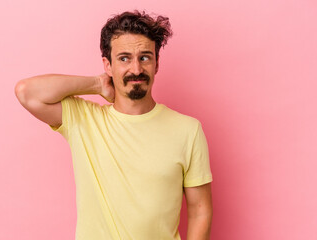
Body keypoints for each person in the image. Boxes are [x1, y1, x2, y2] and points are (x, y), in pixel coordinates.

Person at [15, 10, 213, 240]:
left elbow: (201, 210)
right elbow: (26, 92)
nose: (136, 69)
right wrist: (97, 85)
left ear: (157, 63)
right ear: (107, 65)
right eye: (124, 58)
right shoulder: (84, 120)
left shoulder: (188, 130)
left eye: (145, 57)